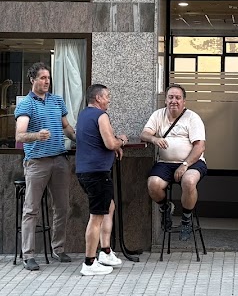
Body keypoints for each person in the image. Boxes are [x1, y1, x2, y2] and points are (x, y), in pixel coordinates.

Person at [14, 62, 77, 271]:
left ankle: (58, 249)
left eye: (48, 78)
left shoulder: (57, 101)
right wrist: (36, 136)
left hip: (59, 159)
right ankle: (28, 255)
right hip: (37, 162)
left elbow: (66, 127)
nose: (46, 81)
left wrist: (80, 139)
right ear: (32, 80)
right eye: (42, 78)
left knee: (61, 206)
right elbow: (19, 134)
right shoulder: (26, 104)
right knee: (31, 209)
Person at [140, 84, 208, 240]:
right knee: (153, 184)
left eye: (178, 98)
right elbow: (144, 134)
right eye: (170, 97)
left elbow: (200, 146)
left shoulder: (192, 117)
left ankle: (186, 220)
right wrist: (154, 139)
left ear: (184, 102)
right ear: (165, 100)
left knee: (189, 181)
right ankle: (165, 209)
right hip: (165, 163)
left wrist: (185, 165)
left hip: (192, 162)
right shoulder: (158, 115)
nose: (174, 101)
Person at [75, 84, 128, 276]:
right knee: (96, 217)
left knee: (109, 206)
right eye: (107, 96)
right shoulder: (101, 116)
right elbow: (109, 143)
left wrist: (114, 144)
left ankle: (105, 252)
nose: (109, 100)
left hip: (85, 171)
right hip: (97, 173)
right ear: (98, 98)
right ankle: (89, 263)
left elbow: (96, 139)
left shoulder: (83, 115)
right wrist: (121, 140)